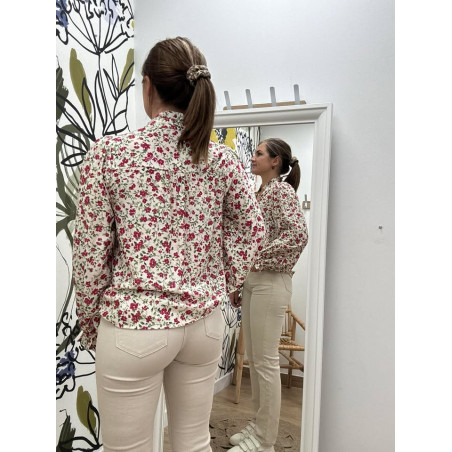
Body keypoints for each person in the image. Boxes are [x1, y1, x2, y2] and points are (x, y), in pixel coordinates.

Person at [72, 36, 265, 452]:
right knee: (193, 442)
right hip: (204, 325)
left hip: (134, 325)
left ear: (148, 87)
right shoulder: (222, 160)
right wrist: (221, 282)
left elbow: (90, 253)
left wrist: (91, 326)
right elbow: (253, 229)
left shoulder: (110, 154)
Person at [228, 138, 309, 452]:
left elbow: (298, 235)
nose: (253, 157)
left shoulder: (280, 191)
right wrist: (241, 281)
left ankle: (265, 441)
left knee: (265, 363)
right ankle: (257, 426)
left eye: (259, 153)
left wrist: (256, 260)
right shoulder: (261, 192)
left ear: (275, 161)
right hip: (255, 282)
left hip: (271, 282)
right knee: (257, 360)